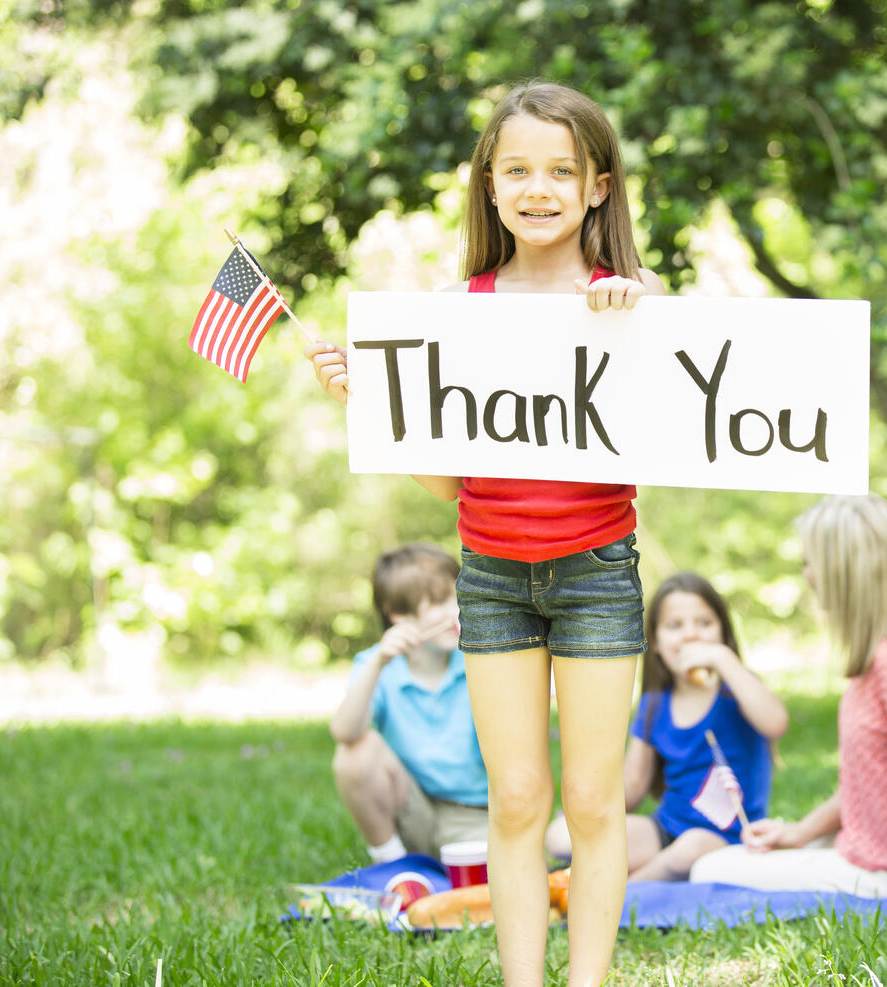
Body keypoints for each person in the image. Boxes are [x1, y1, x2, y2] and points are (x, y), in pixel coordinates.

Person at [304, 82, 666, 987]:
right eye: (516, 170)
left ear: (598, 186)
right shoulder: (456, 309)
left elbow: (675, 421)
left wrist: (633, 320)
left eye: (559, 170)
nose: (536, 188)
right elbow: (454, 483)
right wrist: (376, 406)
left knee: (590, 798)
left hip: (594, 572)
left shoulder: (632, 299)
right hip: (495, 574)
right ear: (490, 186)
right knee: (515, 795)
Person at [690, 495, 887, 904]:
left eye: (815, 564)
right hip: (875, 849)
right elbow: (875, 781)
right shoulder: (884, 656)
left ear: (848, 574)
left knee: (709, 869)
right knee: (727, 860)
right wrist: (800, 833)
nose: (808, 576)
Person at [545, 572, 787, 881]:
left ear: (724, 634)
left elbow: (776, 722)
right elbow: (632, 785)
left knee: (690, 848)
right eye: (675, 626)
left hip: (727, 838)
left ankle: (626, 891)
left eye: (704, 623)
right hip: (665, 829)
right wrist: (586, 811)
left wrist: (724, 660)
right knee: (560, 835)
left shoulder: (737, 690)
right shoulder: (655, 705)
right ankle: (645, 874)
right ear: (656, 643)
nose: (690, 635)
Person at [330, 543, 488, 863]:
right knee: (356, 752)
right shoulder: (377, 666)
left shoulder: (478, 661)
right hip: (409, 810)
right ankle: (391, 863)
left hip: (474, 817)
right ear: (398, 616)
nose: (455, 609)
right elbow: (344, 732)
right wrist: (378, 664)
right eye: (440, 601)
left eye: (457, 596)